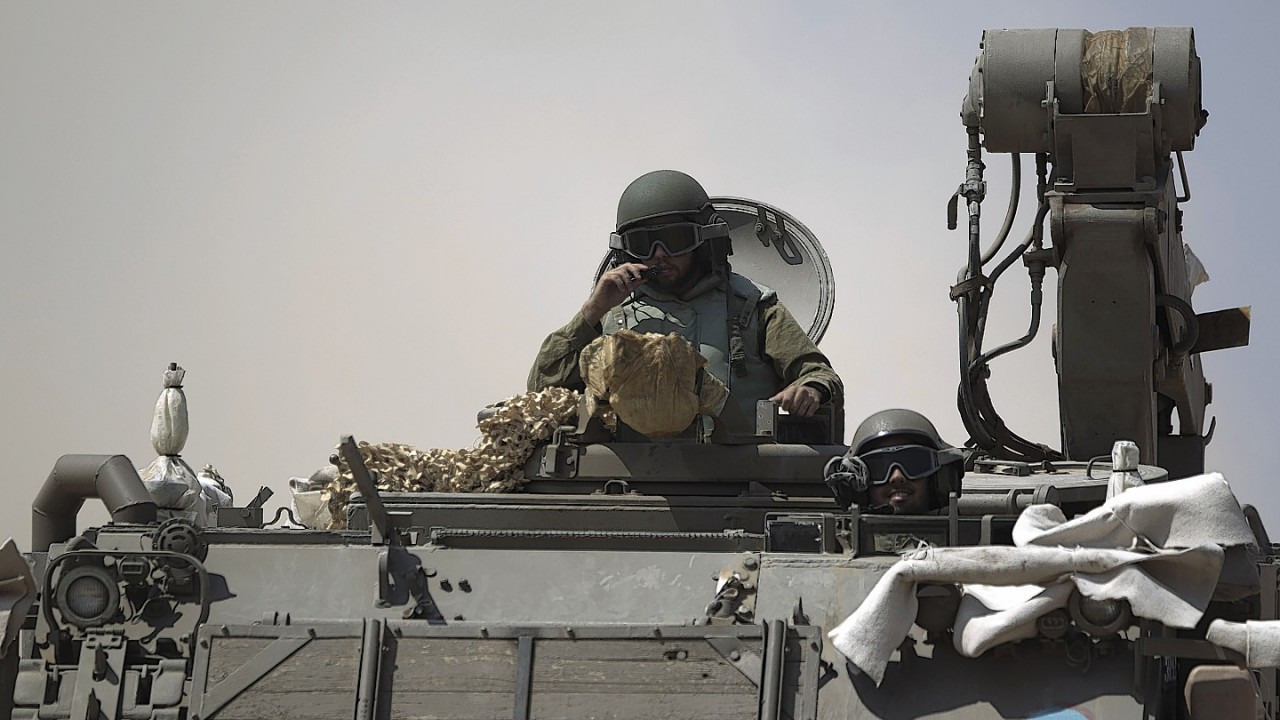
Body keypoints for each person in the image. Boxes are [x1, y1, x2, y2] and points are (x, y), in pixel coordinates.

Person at [528, 170, 842, 426]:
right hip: (629, 477)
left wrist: (810, 388)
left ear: (704, 241)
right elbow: (541, 391)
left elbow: (818, 373)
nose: (659, 256)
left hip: (738, 477)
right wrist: (592, 310)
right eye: (644, 243)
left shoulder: (752, 307)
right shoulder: (611, 314)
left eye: (674, 240)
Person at [824, 409, 965, 514]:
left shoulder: (967, 546)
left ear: (936, 480)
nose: (897, 477)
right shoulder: (836, 545)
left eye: (913, 463)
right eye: (879, 467)